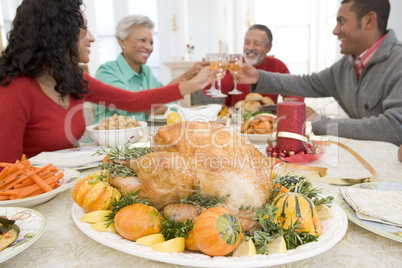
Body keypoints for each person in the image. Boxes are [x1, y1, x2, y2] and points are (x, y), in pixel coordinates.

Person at [0, 0, 217, 164]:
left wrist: (191, 83)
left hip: (66, 181)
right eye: (84, 29)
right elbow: (5, 177)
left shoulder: (74, 79)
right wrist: (191, 84)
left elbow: (134, 101)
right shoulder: (13, 90)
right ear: (56, 33)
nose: (92, 37)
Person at [236, 0, 402, 146]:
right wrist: (258, 77)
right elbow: (307, 83)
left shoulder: (398, 62)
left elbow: (394, 128)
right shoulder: (346, 66)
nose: (335, 31)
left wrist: (320, 122)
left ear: (369, 20)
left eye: (342, 22)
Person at [94, 15, 209, 123]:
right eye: (142, 40)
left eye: (151, 43)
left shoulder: (146, 71)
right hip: (103, 143)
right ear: (122, 41)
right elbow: (132, 108)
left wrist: (187, 76)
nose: (149, 47)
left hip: (137, 139)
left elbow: (168, 99)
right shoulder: (106, 72)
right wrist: (153, 107)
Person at [203, 24, 303, 107]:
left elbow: (294, 93)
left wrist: (291, 101)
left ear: (268, 48)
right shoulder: (234, 64)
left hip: (267, 119)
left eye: (257, 43)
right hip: (235, 121)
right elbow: (213, 91)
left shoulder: (278, 66)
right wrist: (207, 76)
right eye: (247, 42)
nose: (250, 47)